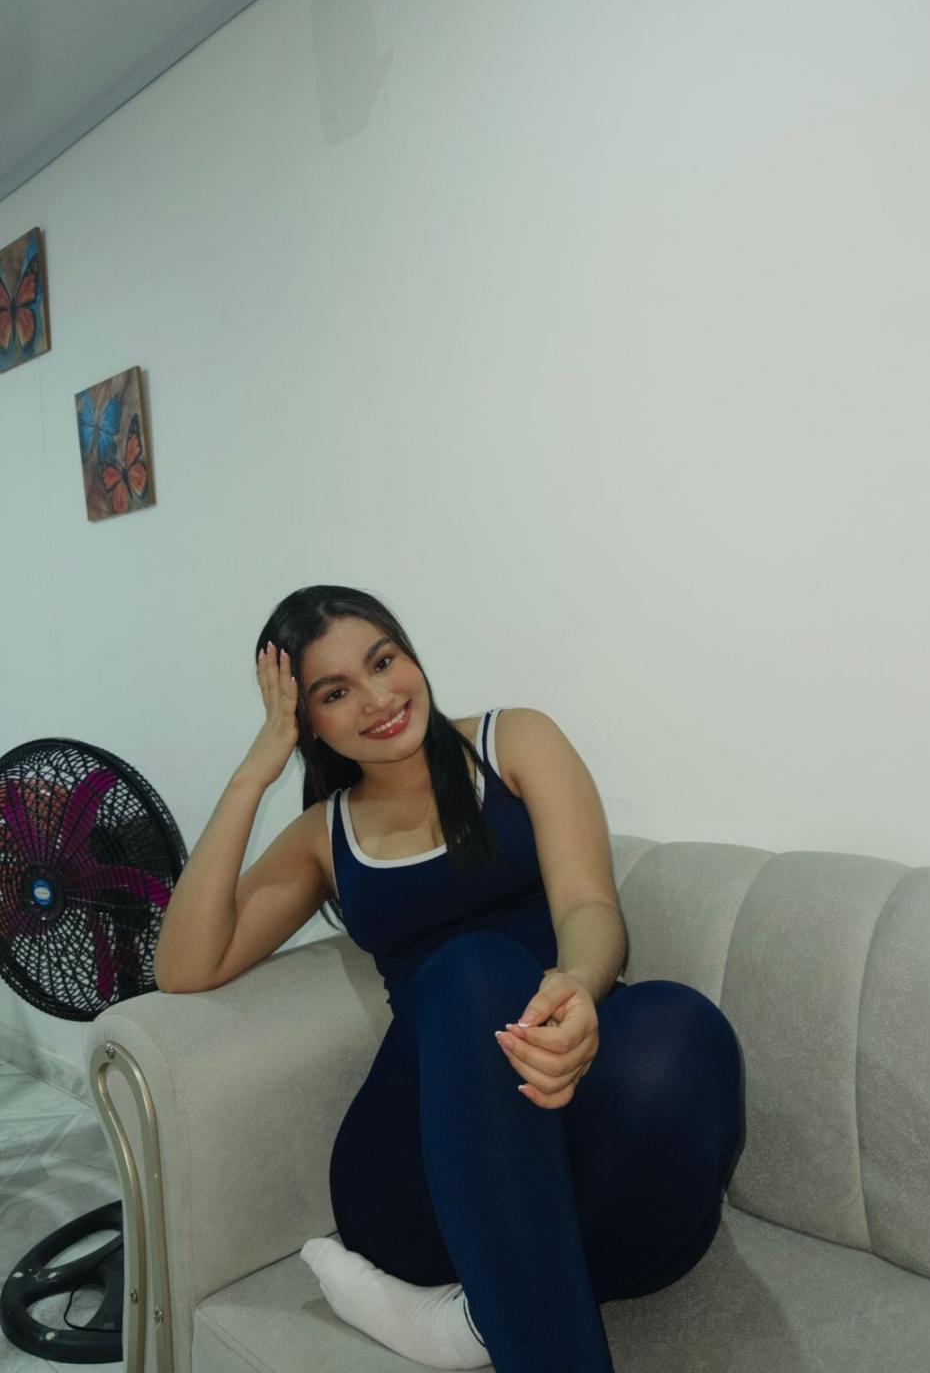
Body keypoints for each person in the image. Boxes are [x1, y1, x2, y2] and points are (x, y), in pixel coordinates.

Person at [153, 585, 745, 1373]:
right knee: (477, 967)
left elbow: (588, 905)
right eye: (335, 692)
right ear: (306, 721)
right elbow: (184, 967)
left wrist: (577, 983)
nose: (377, 699)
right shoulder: (324, 836)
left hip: (558, 1121)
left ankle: (470, 1322)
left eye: (383, 662)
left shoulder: (515, 742)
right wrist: (252, 775)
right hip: (420, 1171)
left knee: (686, 1031)